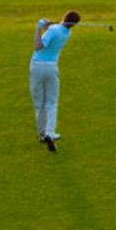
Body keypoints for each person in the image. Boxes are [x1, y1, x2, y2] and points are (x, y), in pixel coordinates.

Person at [30, 10, 81, 151]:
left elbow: (38, 46)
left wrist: (39, 28)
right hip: (52, 68)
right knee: (51, 103)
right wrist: (50, 26)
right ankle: (50, 133)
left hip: (37, 66)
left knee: (39, 102)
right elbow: (55, 32)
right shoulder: (67, 33)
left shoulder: (53, 30)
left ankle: (42, 134)